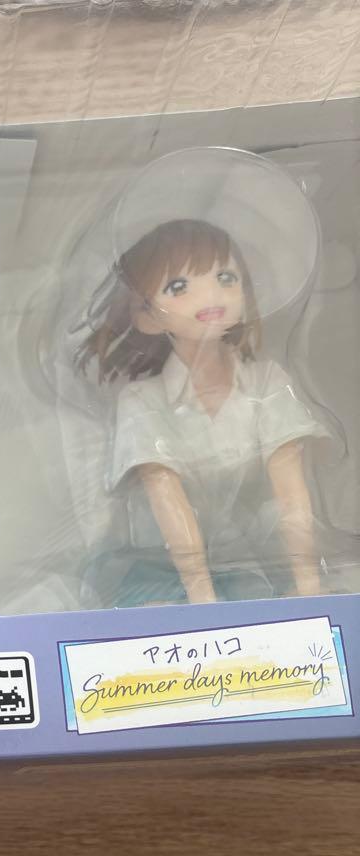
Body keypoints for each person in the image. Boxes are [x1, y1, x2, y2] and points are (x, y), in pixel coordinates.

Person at [75, 219, 326, 607]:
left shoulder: (267, 382)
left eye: (226, 278)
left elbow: (291, 494)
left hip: (250, 561)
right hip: (163, 568)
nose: (211, 294)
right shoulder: (142, 401)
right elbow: (166, 497)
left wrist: (308, 582)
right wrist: (202, 599)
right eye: (178, 287)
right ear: (147, 316)